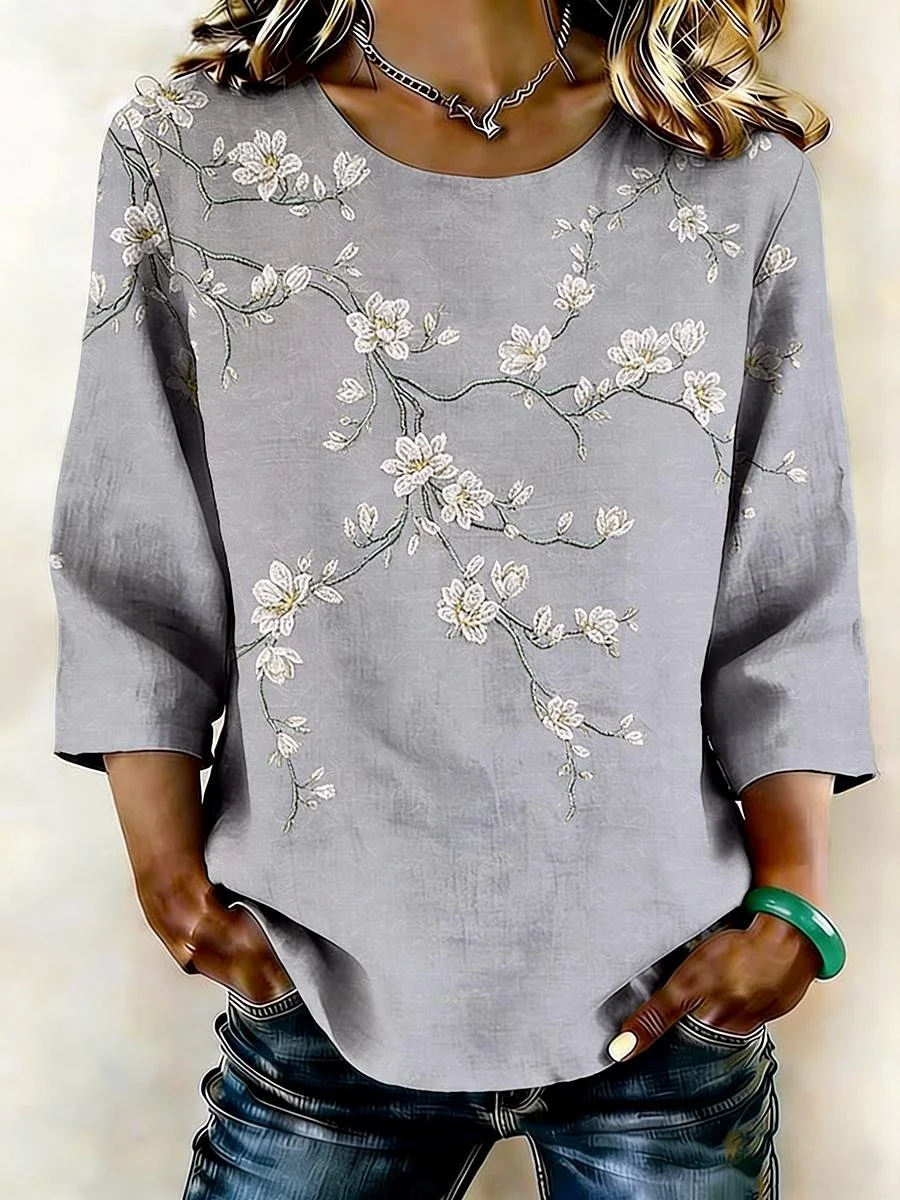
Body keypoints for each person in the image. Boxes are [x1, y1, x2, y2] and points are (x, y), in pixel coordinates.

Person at [48, 0, 879, 1195]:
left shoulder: (728, 169)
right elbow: (133, 534)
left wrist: (794, 903)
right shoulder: (190, 152)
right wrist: (165, 873)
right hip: (318, 978)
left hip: (668, 984)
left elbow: (786, 575)